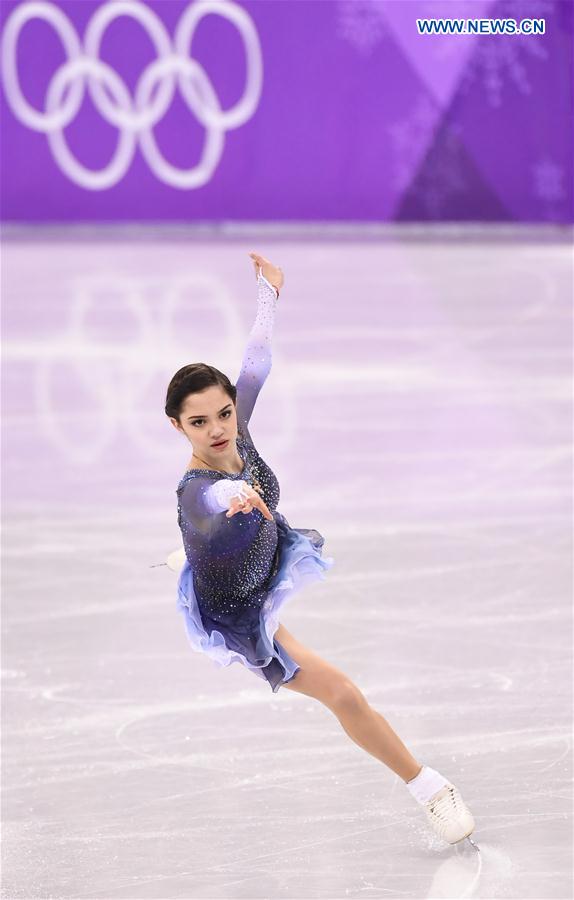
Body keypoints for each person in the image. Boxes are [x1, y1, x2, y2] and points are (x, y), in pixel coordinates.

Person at [164, 252, 478, 850]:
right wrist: (233, 493)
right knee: (342, 693)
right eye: (199, 422)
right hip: (237, 609)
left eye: (224, 413)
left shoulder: (238, 428)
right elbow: (208, 502)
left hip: (261, 556)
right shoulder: (194, 490)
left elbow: (255, 363)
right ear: (178, 427)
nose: (218, 429)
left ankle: (426, 784)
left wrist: (268, 294)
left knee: (343, 693)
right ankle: (430, 789)